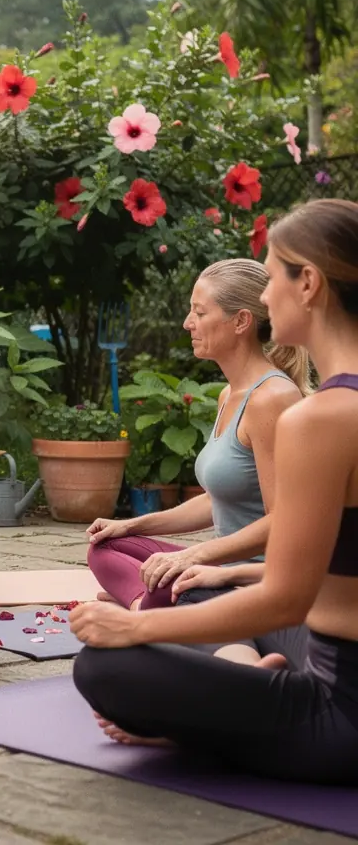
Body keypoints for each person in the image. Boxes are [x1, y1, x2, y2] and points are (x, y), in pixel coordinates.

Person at [71, 199, 358, 784]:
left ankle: (200, 723)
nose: (266, 296)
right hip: (324, 653)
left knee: (100, 669)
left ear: (308, 284)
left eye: (272, 277)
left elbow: (283, 600)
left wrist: (134, 627)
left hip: (340, 717)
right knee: (185, 598)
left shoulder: (319, 417)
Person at [86, 259, 308, 636]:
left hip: (251, 581)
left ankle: (146, 608)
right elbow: (217, 499)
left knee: (167, 583)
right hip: (215, 569)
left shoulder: (271, 399)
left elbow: (284, 520)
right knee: (106, 548)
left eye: (200, 312)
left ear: (241, 322)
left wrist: (196, 555)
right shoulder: (228, 394)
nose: (188, 323)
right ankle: (148, 606)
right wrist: (131, 525)